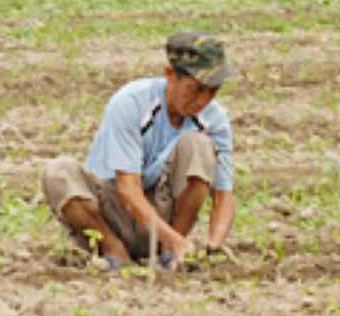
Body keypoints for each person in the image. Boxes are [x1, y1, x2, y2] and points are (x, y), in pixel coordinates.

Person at [41, 31, 238, 272]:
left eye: (213, 91)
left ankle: (169, 254)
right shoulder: (131, 102)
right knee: (58, 172)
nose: (203, 100)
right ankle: (114, 249)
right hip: (112, 211)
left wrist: (215, 245)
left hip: (162, 213)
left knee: (199, 146)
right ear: (170, 75)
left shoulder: (214, 119)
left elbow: (223, 194)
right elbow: (127, 190)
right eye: (196, 89)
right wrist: (176, 240)